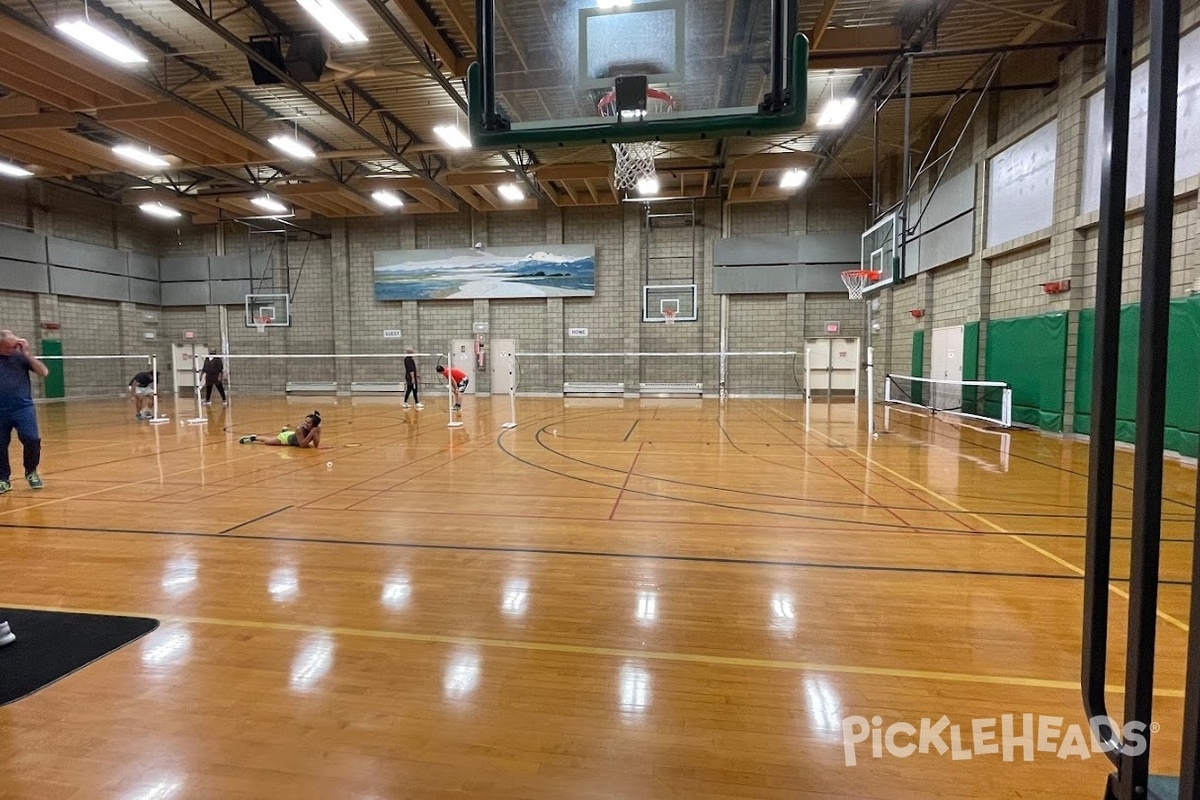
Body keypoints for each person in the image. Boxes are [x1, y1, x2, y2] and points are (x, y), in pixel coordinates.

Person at [0, 330, 49, 492]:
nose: (14, 349)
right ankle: (3, 479)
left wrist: (28, 354)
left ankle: (31, 471)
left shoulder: (20, 356)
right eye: (10, 347)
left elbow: (44, 372)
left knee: (32, 439)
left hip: (22, 408)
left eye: (16, 345)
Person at [240, 411, 322, 448]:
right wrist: (312, 433)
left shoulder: (316, 429)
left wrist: (315, 434)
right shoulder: (299, 429)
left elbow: (316, 444)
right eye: (305, 421)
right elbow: (302, 445)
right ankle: (254, 438)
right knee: (269, 441)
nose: (305, 424)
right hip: (285, 439)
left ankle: (285, 431)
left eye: (308, 423)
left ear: (314, 425)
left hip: (293, 436)